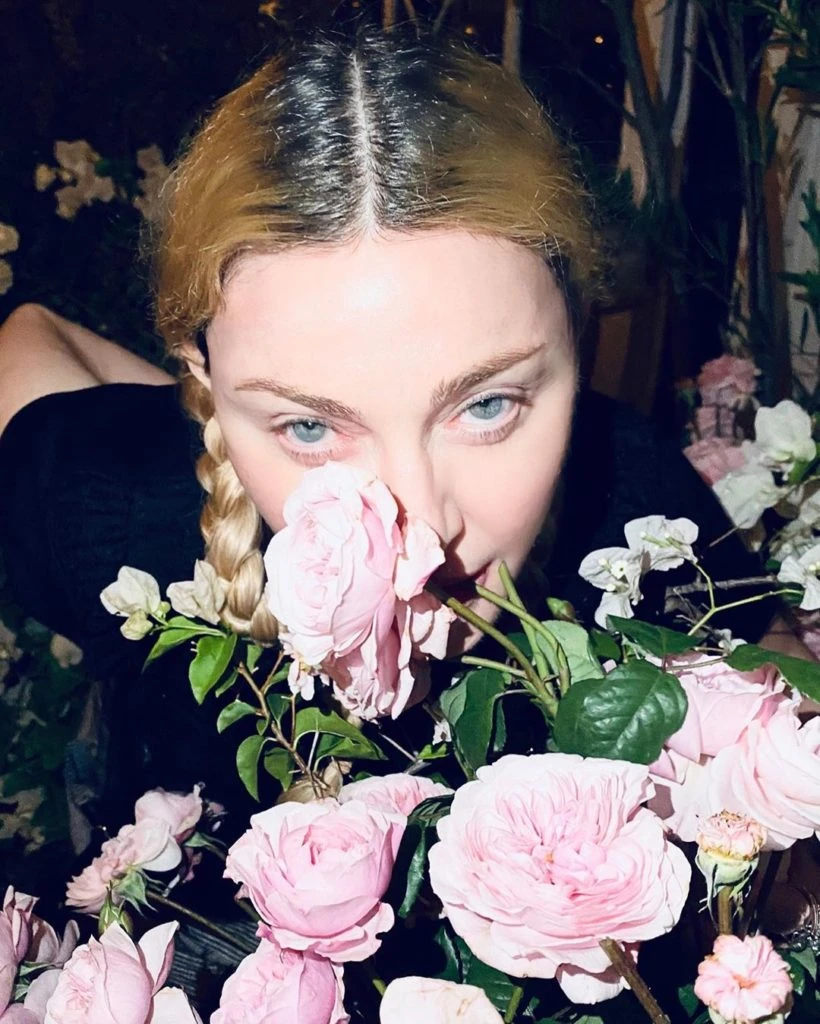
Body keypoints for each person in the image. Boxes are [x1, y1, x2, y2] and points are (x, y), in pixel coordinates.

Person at [0, 21, 804, 822]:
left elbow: (788, 704)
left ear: (578, 338)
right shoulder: (114, 515)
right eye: (309, 427)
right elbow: (32, 331)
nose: (422, 537)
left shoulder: (636, 505)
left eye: (486, 405)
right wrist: (216, 421)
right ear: (205, 377)